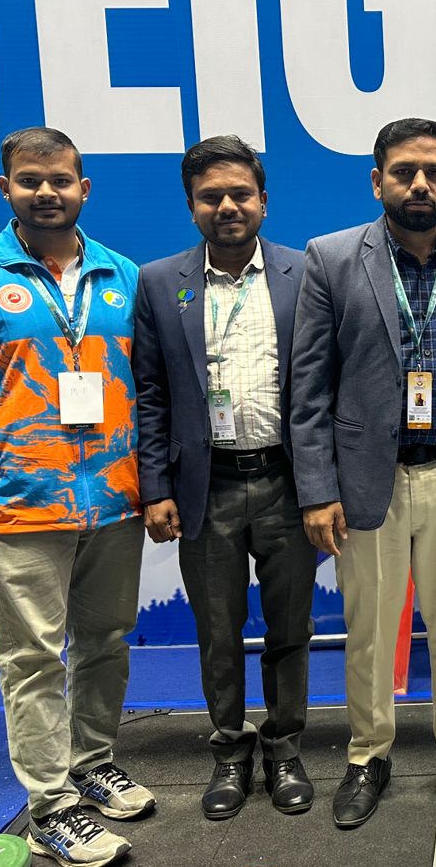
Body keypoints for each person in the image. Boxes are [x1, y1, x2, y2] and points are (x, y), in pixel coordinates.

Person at [0, 127, 152, 867]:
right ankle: (50, 806)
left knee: (106, 643)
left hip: (113, 501)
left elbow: (151, 391)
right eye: (29, 180)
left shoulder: (123, 276)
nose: (46, 192)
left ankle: (93, 760)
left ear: (84, 188)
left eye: (60, 180)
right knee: (33, 658)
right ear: (5, 188)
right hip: (19, 504)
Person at [290, 118, 436, 828]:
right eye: (404, 172)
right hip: (367, 480)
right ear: (376, 181)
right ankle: (368, 754)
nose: (420, 184)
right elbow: (309, 386)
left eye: (433, 172)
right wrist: (317, 490)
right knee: (371, 629)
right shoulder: (331, 258)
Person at [133, 136, 318, 821]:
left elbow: (322, 386)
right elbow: (150, 393)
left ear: (264, 201)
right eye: (211, 196)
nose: (228, 206)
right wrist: (156, 487)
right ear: (192, 207)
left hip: (286, 481)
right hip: (203, 486)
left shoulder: (305, 274)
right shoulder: (161, 283)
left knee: (290, 627)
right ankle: (230, 752)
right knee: (218, 629)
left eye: (241, 193)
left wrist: (323, 486)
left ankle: (285, 746)